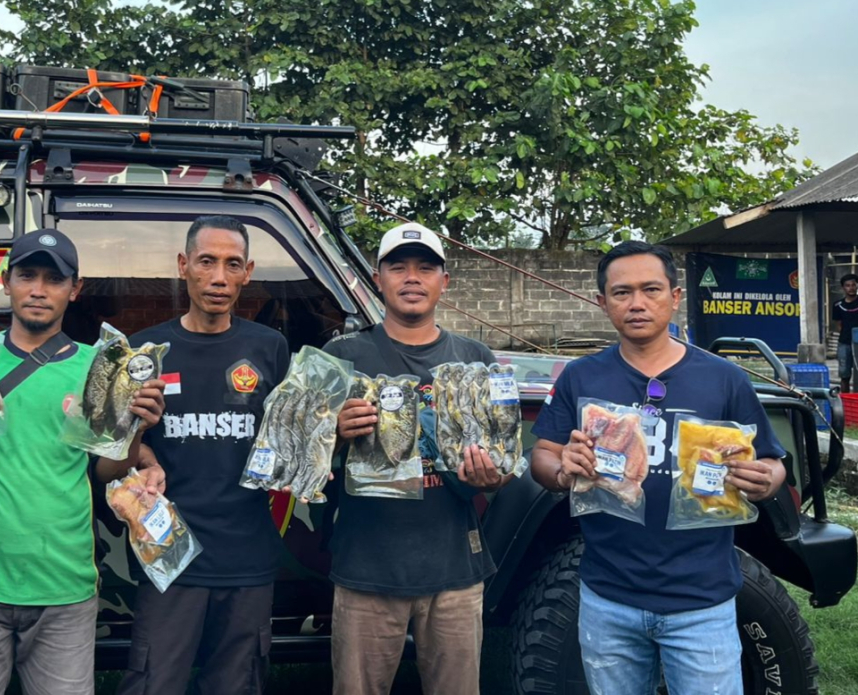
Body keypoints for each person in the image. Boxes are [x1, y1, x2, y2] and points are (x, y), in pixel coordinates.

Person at [529, 241, 786, 695]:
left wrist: (766, 480)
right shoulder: (581, 377)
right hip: (608, 598)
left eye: (651, 289)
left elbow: (769, 459)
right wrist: (561, 467)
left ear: (675, 296)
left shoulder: (724, 378)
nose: (637, 303)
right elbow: (543, 456)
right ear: (602, 302)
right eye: (622, 292)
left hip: (702, 601)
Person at [0, 228, 164, 695]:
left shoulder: (98, 367)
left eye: (53, 279)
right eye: (26, 274)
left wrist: (137, 430)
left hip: (64, 590)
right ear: (5, 280)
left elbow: (105, 472)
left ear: (75, 289)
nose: (37, 289)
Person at [104, 215, 289, 695]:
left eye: (232, 264)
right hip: (169, 555)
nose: (219, 278)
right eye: (207, 262)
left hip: (247, 556)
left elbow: (289, 440)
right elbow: (109, 459)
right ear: (184, 266)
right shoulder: (146, 352)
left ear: (248, 272)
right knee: (153, 684)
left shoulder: (269, 349)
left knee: (236, 686)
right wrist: (139, 441)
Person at [323, 222, 508, 695]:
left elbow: (499, 460)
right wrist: (335, 434)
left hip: (454, 570)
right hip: (367, 566)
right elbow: (301, 457)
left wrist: (492, 475)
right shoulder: (343, 355)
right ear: (377, 278)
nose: (412, 277)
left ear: (444, 283)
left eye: (426, 268)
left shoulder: (475, 358)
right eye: (398, 266)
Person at [833, 273, 858, 393]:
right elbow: (839, 324)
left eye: (853, 285)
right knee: (844, 374)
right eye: (848, 285)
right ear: (843, 288)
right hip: (844, 343)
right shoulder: (838, 305)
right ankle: (845, 402)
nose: (851, 288)